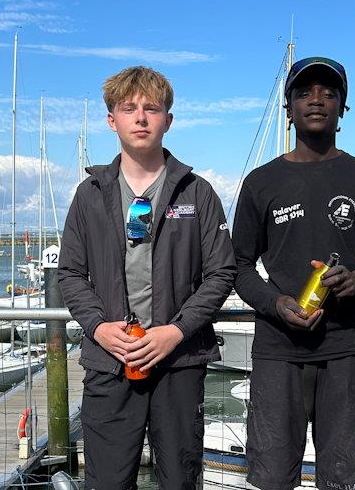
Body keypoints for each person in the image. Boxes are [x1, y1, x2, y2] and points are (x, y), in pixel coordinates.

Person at [58, 65, 236, 489]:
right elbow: (70, 273)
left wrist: (175, 331)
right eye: (128, 108)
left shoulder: (197, 192)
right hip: (109, 362)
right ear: (111, 120)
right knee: (107, 480)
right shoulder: (90, 194)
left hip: (178, 362)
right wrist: (99, 328)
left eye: (152, 109)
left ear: (168, 120)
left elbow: (221, 271)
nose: (140, 118)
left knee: (180, 478)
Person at [232, 57, 355, 490]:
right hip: (277, 349)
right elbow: (239, 267)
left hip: (347, 347)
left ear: (343, 107)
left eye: (329, 92)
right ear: (288, 107)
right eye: (304, 92)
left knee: (345, 478)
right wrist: (275, 302)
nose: (317, 100)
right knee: (270, 478)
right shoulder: (260, 183)